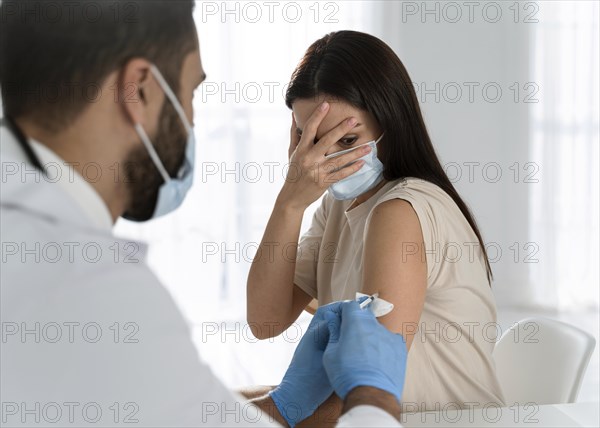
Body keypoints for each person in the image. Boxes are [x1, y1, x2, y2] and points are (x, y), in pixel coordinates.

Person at [0, 2, 408, 427]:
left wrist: (284, 404)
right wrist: (374, 398)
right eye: (191, 91)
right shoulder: (94, 291)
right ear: (139, 89)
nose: (193, 120)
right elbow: (262, 323)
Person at [247, 30, 506, 415]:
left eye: (347, 141)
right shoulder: (338, 206)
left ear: (390, 121)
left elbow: (368, 394)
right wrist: (289, 204)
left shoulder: (400, 211)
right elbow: (266, 320)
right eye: (309, 138)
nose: (323, 160)